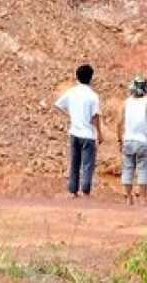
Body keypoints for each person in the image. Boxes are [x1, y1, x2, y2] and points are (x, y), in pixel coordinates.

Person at [54, 63, 103, 198]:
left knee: (75, 162)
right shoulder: (93, 96)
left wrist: (70, 115)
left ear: (77, 77)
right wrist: (99, 133)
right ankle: (85, 191)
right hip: (88, 134)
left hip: (74, 132)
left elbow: (58, 104)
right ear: (91, 78)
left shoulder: (72, 92)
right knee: (87, 164)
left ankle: (72, 190)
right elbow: (96, 116)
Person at [117, 75, 147, 206]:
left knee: (128, 168)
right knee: (142, 168)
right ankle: (143, 199)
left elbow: (119, 122)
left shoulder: (126, 102)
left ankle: (129, 197)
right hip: (142, 140)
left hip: (128, 139)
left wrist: (120, 139)